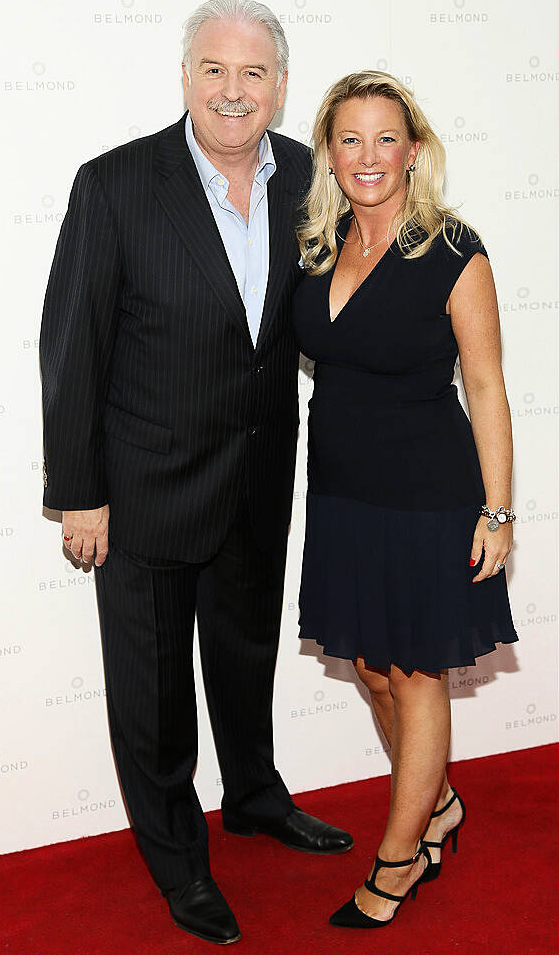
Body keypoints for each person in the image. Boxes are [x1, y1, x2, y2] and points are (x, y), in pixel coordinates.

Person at [39, 0, 352, 947]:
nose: (232, 90)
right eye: (213, 69)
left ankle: (253, 795)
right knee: (155, 692)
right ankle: (176, 857)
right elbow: (72, 348)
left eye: (253, 74)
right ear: (184, 76)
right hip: (142, 491)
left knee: (245, 659)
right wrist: (78, 490)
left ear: (280, 87)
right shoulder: (116, 184)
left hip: (258, 481)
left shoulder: (310, 176)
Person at [292, 71, 518, 929]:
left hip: (429, 497)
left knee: (417, 675)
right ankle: (440, 802)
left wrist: (496, 511)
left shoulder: (454, 249)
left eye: (385, 138)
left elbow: (487, 386)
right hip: (343, 495)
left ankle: (399, 857)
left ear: (413, 150)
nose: (368, 157)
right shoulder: (315, 242)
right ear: (329, 153)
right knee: (373, 671)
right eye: (349, 139)